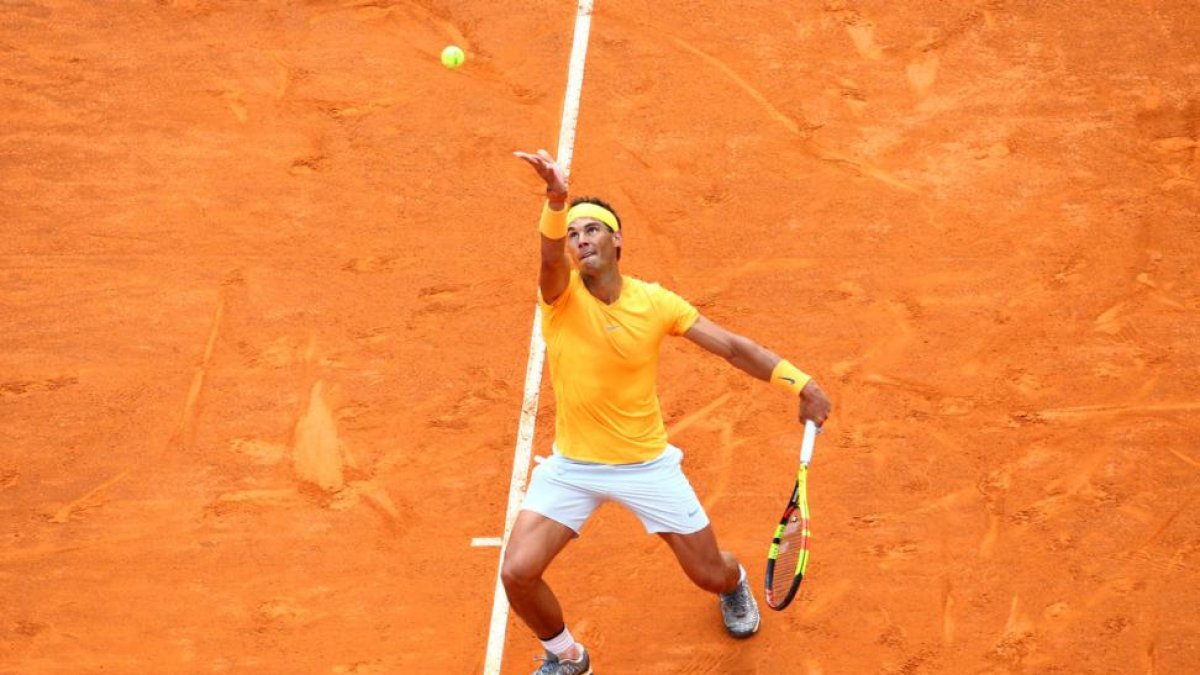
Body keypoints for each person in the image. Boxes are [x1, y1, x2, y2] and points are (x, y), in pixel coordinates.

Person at [505, 149, 832, 675]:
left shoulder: (656, 303)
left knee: (708, 573)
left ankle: (735, 582)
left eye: (593, 230)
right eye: (573, 233)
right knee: (517, 573)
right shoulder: (561, 298)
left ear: (617, 242)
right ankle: (567, 655)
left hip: (645, 466)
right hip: (574, 468)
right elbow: (546, 262)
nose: (581, 239)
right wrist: (555, 199)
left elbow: (730, 346)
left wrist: (801, 381)